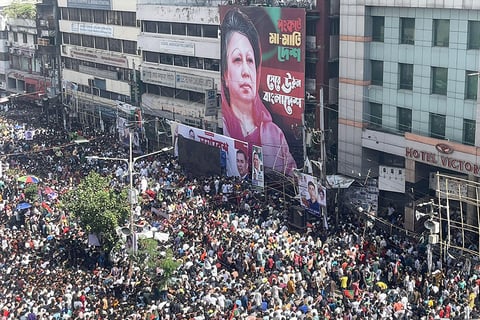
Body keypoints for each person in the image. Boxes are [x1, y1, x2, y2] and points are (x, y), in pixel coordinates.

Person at [220, 8, 297, 175]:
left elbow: (293, 178)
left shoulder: (274, 135)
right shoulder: (223, 125)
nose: (246, 71)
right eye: (237, 60)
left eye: (250, 60)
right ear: (226, 74)